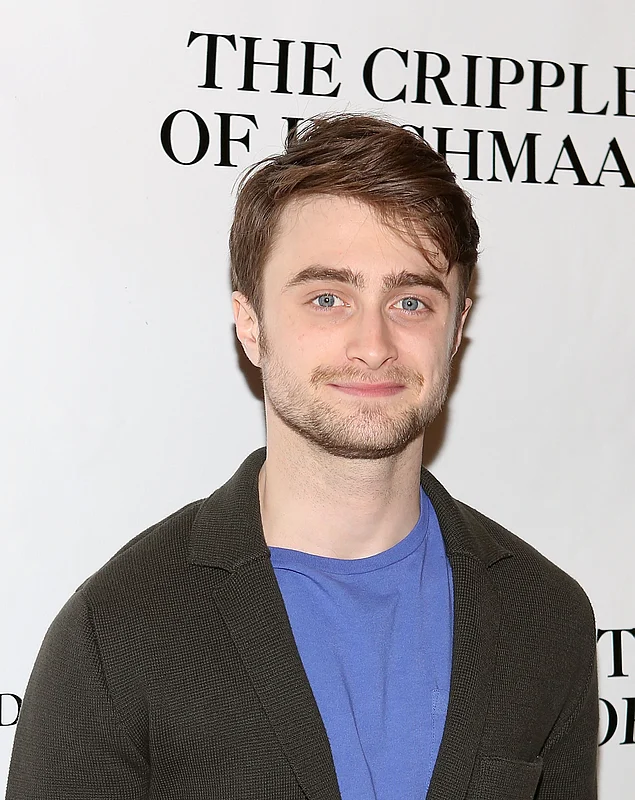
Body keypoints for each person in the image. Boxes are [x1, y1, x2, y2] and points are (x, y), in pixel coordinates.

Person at [6, 114, 598, 800]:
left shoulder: (543, 615)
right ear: (250, 324)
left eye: (410, 301)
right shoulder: (119, 630)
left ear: (457, 327)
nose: (373, 345)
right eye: (327, 298)